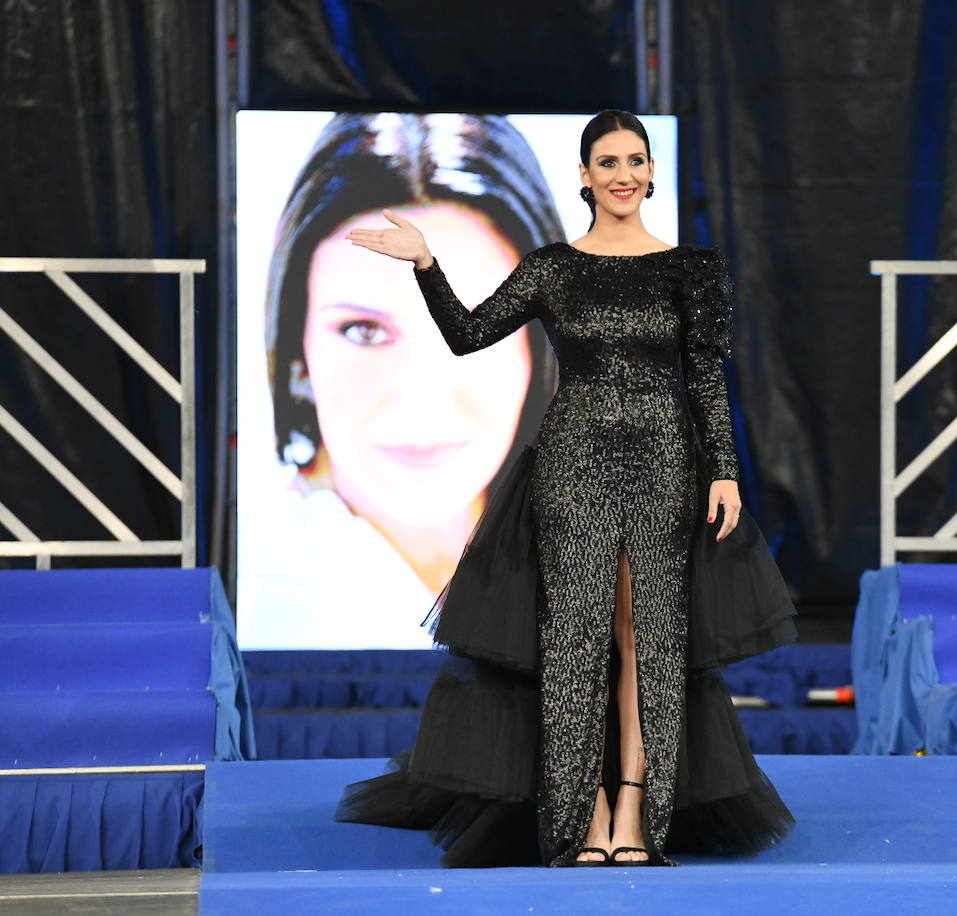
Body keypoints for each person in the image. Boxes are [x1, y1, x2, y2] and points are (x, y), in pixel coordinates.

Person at [335, 109, 798, 867]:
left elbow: (707, 380)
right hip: (572, 469)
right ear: (583, 176)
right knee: (574, 647)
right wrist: (426, 263)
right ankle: (583, 814)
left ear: (651, 172)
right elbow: (467, 333)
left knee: (649, 645)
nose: (624, 175)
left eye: (635, 160)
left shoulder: (693, 267)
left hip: (665, 470)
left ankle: (637, 816)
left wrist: (724, 471)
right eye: (608, 162)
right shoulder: (553, 266)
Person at [247, 113, 562, 648]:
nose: (421, 401)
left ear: (540, 348)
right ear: (299, 356)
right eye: (364, 332)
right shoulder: (265, 597)